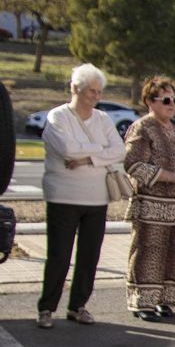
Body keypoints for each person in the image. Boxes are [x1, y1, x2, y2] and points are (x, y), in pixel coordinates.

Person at [36, 64, 127, 328]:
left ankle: (78, 306)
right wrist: (99, 152)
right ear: (75, 88)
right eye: (90, 91)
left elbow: (119, 150)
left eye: (99, 92)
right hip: (63, 196)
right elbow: (66, 149)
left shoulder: (103, 119)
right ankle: (46, 308)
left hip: (97, 198)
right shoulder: (57, 117)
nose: (95, 97)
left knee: (89, 256)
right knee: (59, 255)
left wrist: (87, 157)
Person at [123, 77, 175, 321]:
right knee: (148, 252)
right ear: (149, 101)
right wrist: (169, 176)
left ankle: (164, 300)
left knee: (174, 253)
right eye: (166, 100)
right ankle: (142, 302)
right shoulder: (142, 128)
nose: (172, 104)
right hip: (152, 206)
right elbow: (132, 164)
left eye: (174, 99)